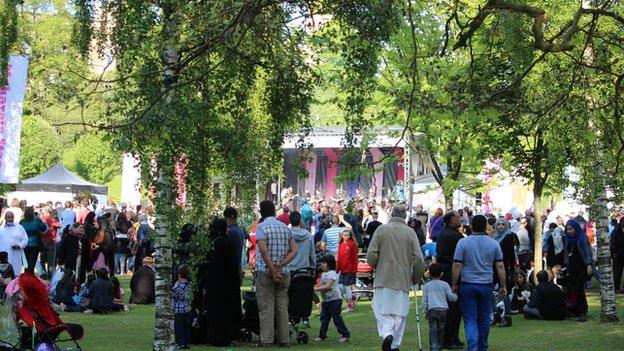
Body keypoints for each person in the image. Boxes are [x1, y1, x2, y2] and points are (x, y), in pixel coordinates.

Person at [367, 204, 426, 351]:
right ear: (404, 215)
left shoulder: (382, 229)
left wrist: (376, 266)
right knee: (399, 312)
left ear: (391, 214)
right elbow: (419, 259)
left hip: (383, 276)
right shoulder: (410, 232)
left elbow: (371, 254)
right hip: (403, 277)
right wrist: (416, 276)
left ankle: (387, 333)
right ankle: (394, 344)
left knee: (380, 308)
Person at [451, 215, 506, 351]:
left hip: (468, 283)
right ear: (486, 227)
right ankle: (483, 346)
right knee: (484, 317)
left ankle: (473, 346)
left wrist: (453, 283)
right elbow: (500, 266)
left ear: (471, 225)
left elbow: (457, 265)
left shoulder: (463, 243)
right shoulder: (494, 243)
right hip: (486, 283)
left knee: (470, 318)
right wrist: (503, 285)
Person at [254, 200, 297, 347]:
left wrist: (273, 270)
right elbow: (293, 250)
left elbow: (264, 252)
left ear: (261, 212)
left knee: (266, 305)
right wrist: (281, 265)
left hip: (265, 272)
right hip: (284, 271)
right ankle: (284, 339)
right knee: (282, 306)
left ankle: (266, 339)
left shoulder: (261, 228)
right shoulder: (285, 228)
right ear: (274, 211)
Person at [199, 218, 241, 346]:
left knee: (213, 309)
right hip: (227, 283)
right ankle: (227, 336)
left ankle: (213, 336)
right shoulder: (228, 244)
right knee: (226, 310)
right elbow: (233, 264)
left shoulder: (209, 244)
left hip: (212, 282)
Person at [435, 210, 464, 350]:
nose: (461, 219)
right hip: (453, 274)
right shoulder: (457, 236)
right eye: (458, 218)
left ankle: (450, 337)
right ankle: (450, 338)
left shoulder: (442, 234)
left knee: (449, 307)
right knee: (454, 308)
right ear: (453, 220)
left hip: (444, 273)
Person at [314, 254, 350, 343]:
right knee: (324, 318)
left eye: (323, 263)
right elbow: (323, 285)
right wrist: (318, 286)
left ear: (329, 263)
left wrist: (316, 289)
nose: (321, 264)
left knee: (336, 318)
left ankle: (345, 334)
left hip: (335, 300)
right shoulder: (323, 274)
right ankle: (322, 335)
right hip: (326, 300)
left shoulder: (333, 273)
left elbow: (328, 286)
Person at [423, 263, 458, 351]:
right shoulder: (445, 284)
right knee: (441, 328)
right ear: (441, 273)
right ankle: (439, 346)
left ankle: (433, 347)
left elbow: (425, 300)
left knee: (433, 329)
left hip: (432, 310)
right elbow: (451, 297)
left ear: (429, 274)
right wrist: (456, 295)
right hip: (442, 310)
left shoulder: (427, 286)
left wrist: (425, 310)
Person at [563, 218, 593, 322]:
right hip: (572, 267)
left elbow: (587, 252)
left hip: (582, 266)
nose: (569, 231)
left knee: (579, 287)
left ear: (575, 228)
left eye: (571, 229)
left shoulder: (582, 237)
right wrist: (566, 265)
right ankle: (580, 311)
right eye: (567, 229)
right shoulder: (567, 238)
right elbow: (566, 253)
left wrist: (589, 264)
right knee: (575, 289)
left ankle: (583, 312)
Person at [337, 228, 358, 312]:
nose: (347, 237)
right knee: (340, 287)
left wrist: (354, 269)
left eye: (348, 235)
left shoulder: (352, 244)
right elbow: (339, 258)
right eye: (345, 235)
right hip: (343, 269)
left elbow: (355, 257)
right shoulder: (341, 245)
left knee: (347, 287)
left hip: (349, 269)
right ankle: (354, 297)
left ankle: (349, 306)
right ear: (341, 236)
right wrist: (337, 269)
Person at [173, 264, 192, 350]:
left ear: (179, 274)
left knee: (179, 327)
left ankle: (180, 343)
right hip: (187, 308)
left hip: (179, 309)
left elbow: (174, 295)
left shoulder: (178, 286)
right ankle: (186, 342)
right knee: (186, 327)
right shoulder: (190, 285)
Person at [224, 207, 245, 280]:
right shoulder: (240, 230)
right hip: (237, 266)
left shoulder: (229, 231)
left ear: (226, 218)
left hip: (231, 269)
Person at [41, 208, 61, 275]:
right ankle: (50, 274)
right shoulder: (51, 219)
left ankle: (43, 273)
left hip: (42, 240)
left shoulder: (41, 219)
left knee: (42, 258)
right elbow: (59, 225)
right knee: (51, 259)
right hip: (51, 240)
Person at [609, 221, 624, 293]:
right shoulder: (616, 230)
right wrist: (614, 253)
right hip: (617, 255)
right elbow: (612, 242)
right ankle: (616, 287)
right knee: (617, 272)